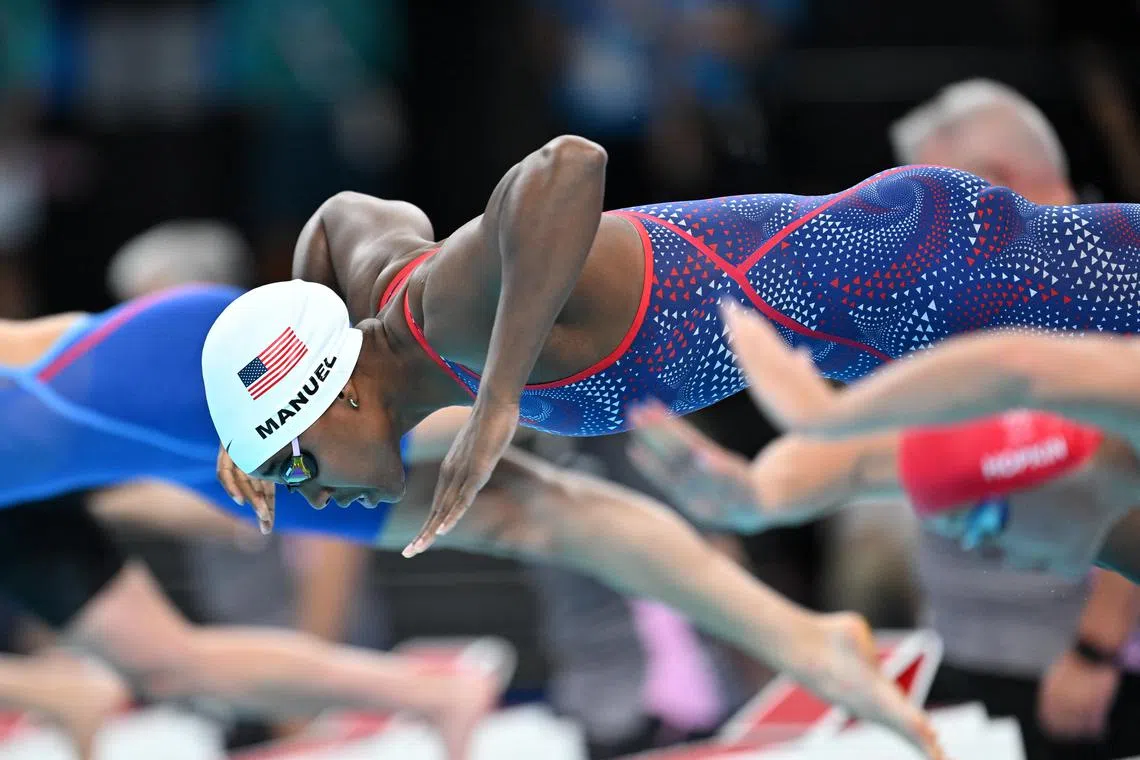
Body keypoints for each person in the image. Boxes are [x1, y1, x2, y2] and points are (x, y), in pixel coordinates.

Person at [0, 285, 941, 756]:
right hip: (122, 436)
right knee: (158, 660)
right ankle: (808, 631)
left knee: (526, 487)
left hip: (184, 386)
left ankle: (807, 566)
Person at [213, 137, 1140, 560]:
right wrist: (252, 428)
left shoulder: (443, 318)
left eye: (295, 469)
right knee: (1098, 519)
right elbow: (333, 226)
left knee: (1103, 515)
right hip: (886, 323)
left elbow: (567, 166)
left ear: (338, 397)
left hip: (918, 278)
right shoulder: (372, 286)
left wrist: (498, 398)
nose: (312, 494)